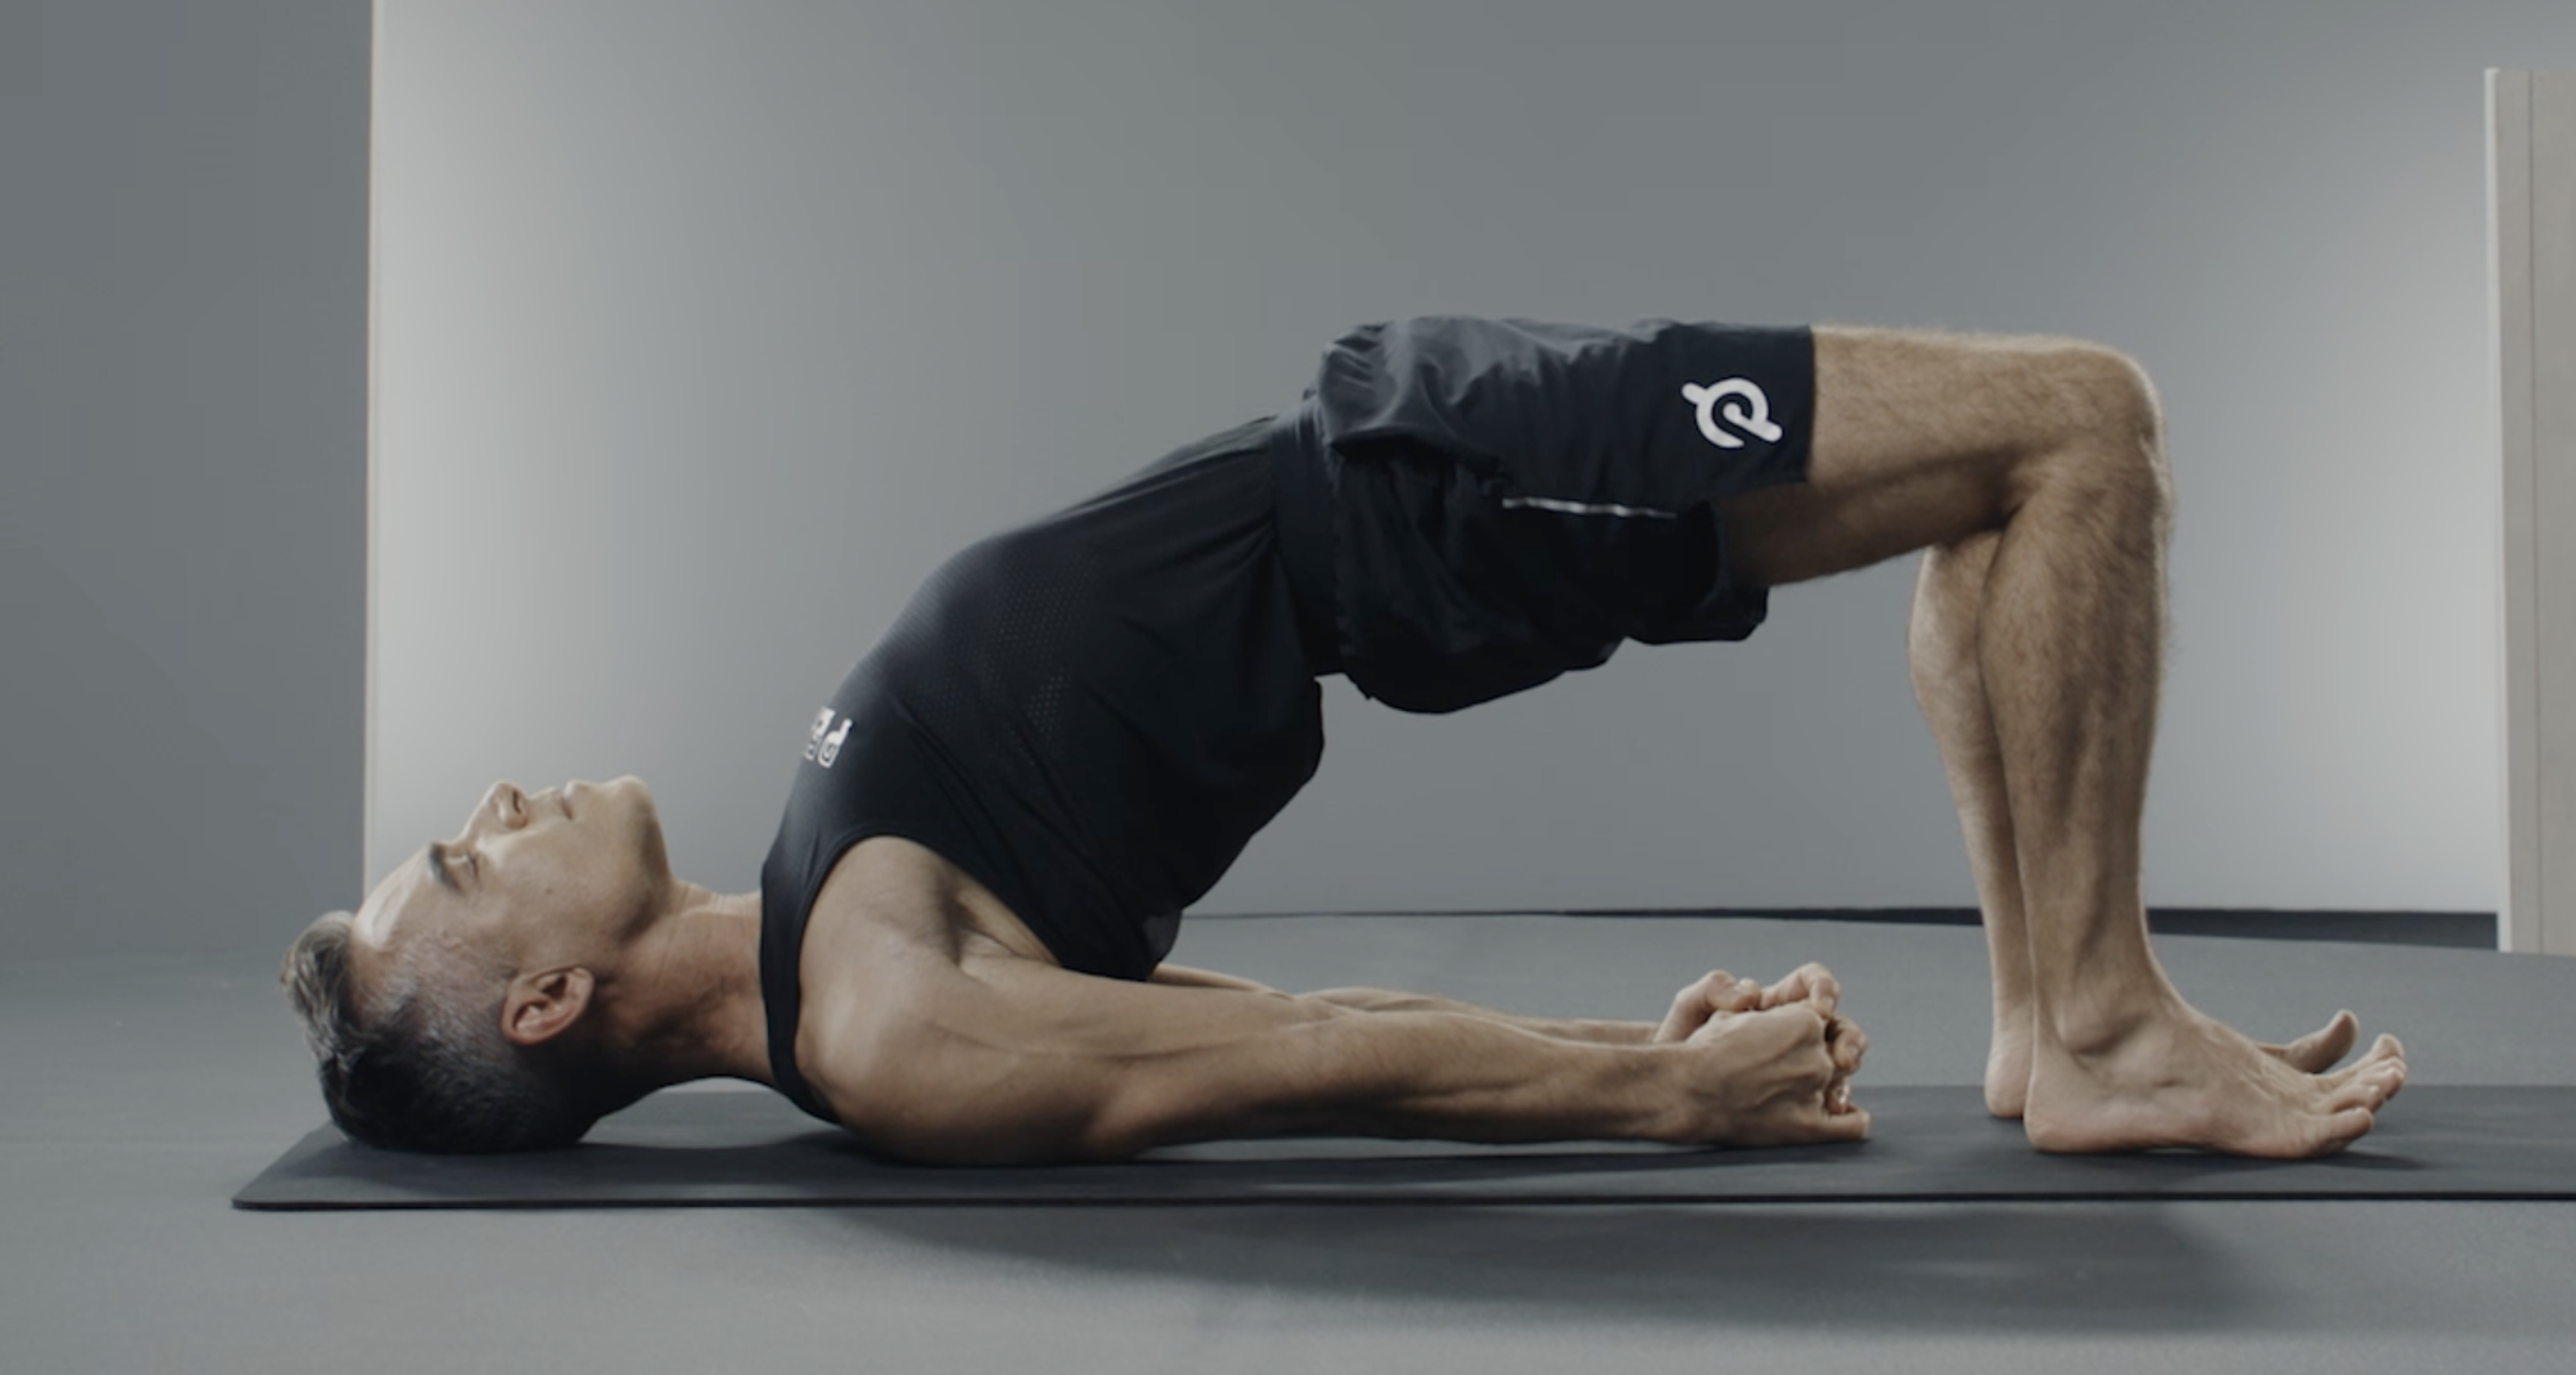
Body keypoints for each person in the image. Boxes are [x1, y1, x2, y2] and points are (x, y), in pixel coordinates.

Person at [282, 316, 2408, 1164]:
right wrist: (1656, 1100)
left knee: (2006, 485)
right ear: (551, 998)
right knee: (2078, 425)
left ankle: (2057, 1024)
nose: (491, 812)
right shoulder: (889, 1022)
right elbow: (1303, 1057)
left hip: (1403, 470)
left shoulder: (818, 941)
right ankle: (2106, 1023)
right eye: (468, 870)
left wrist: (1634, 1054)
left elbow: (1272, 1007)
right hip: (1426, 496)